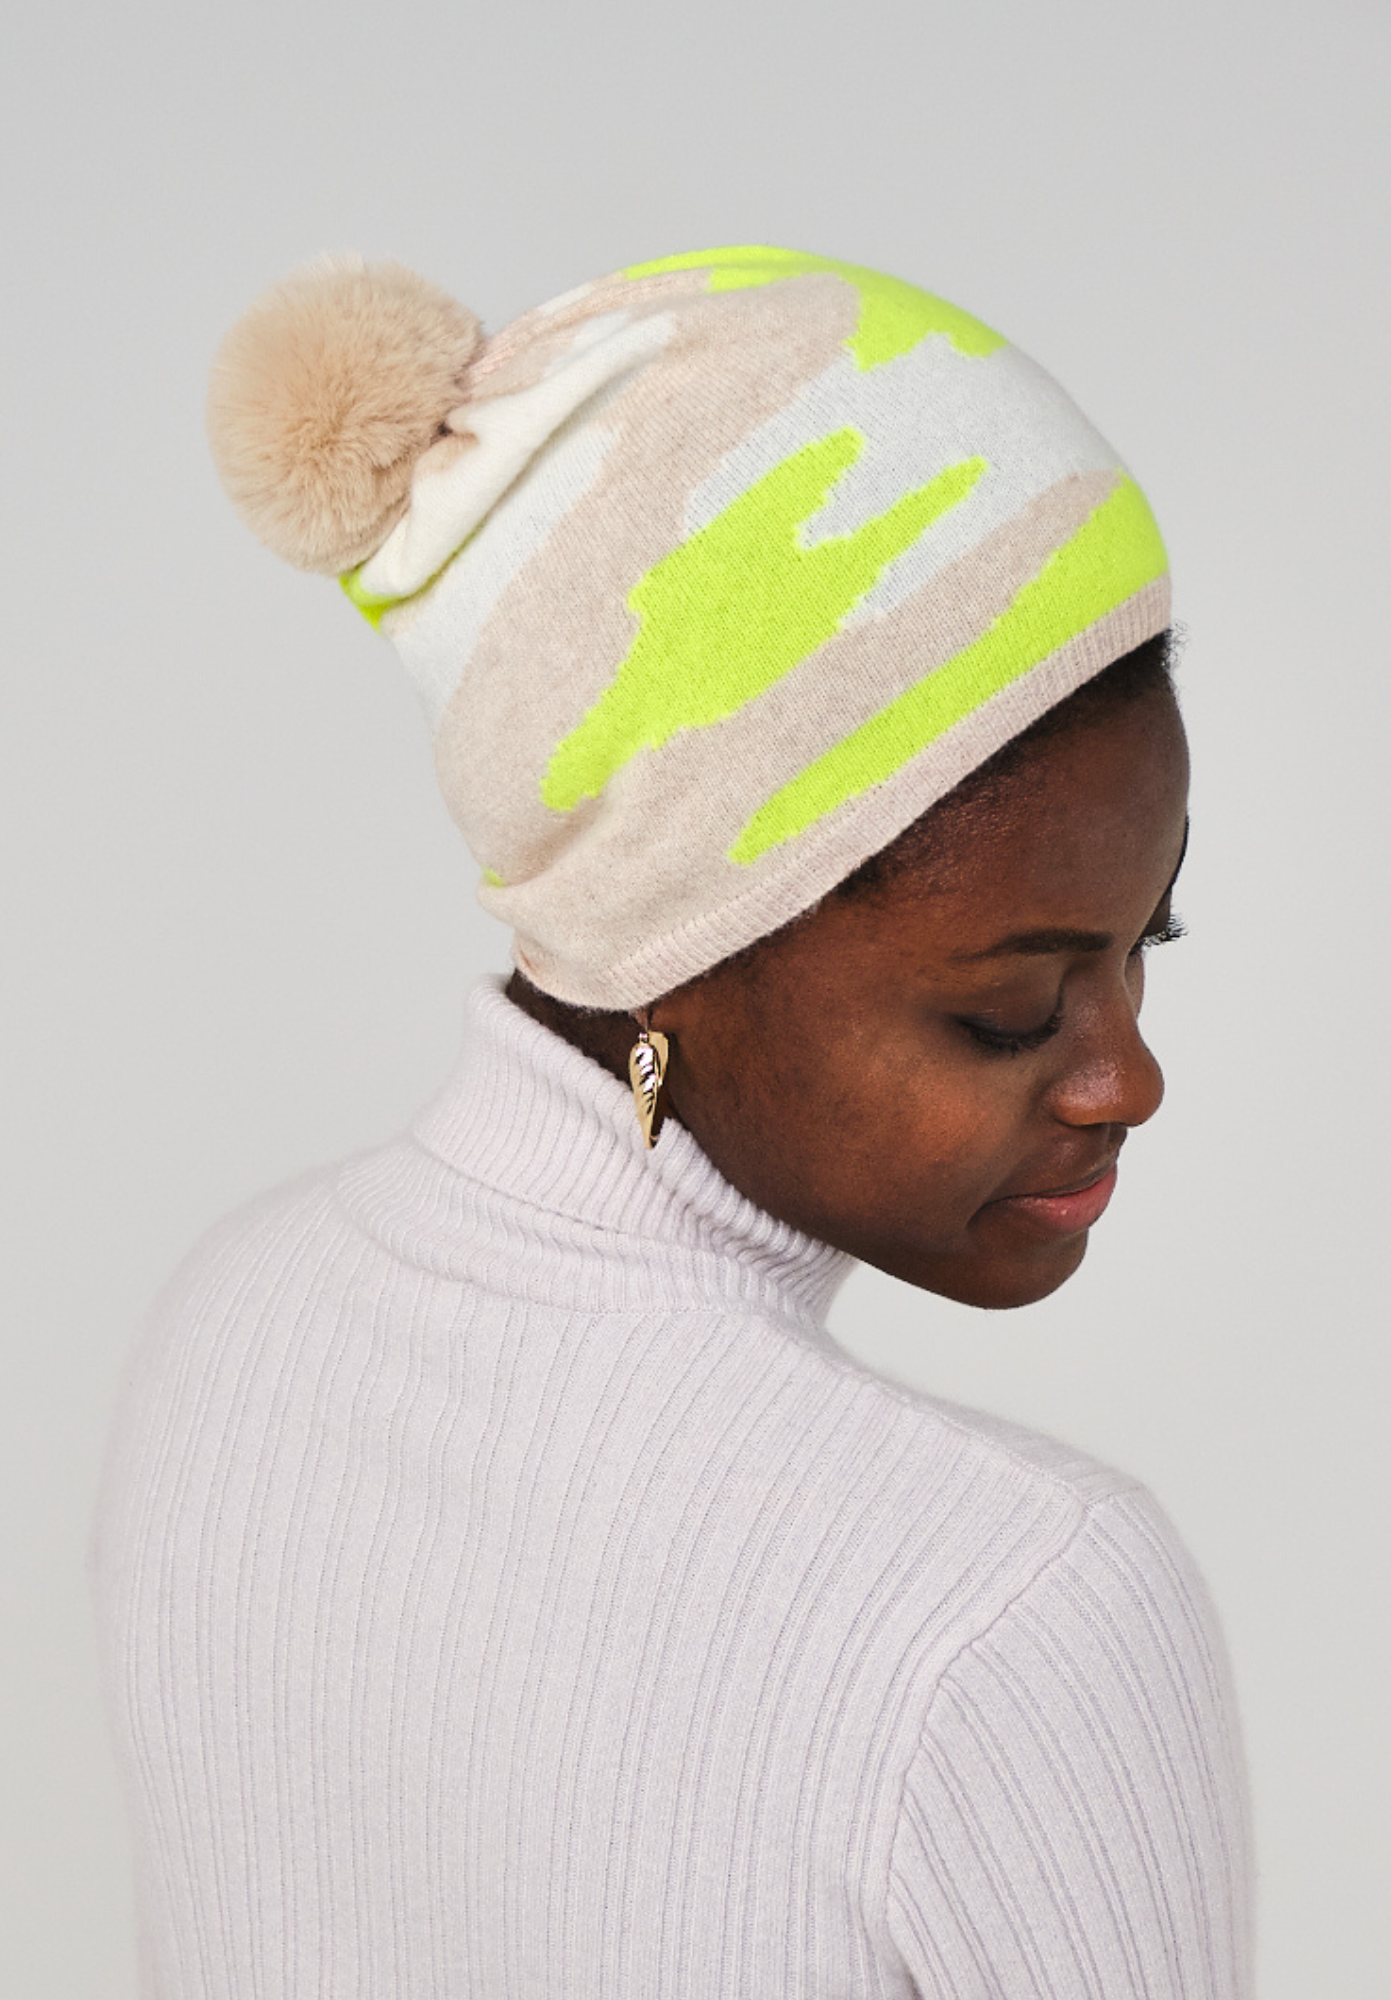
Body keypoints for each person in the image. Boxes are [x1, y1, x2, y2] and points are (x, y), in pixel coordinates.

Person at [89, 245, 1253, 1996]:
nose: (1126, 1080)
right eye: (1010, 1006)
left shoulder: (226, 1330)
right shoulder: (1015, 1609)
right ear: (671, 947)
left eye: (1141, 946)